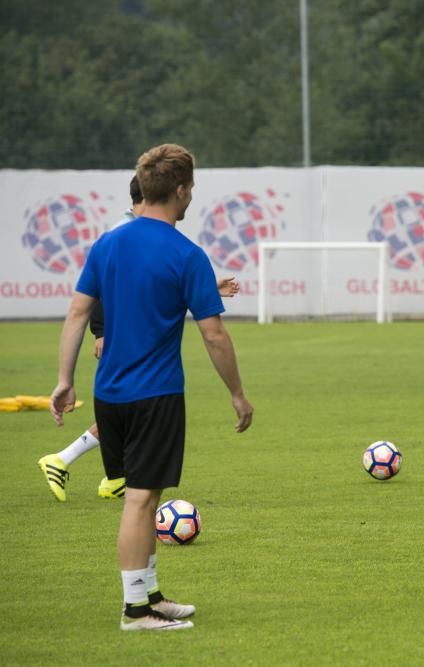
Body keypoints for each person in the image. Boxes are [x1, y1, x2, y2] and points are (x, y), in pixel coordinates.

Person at [50, 143, 254, 631]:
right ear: (180, 190)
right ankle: (135, 611)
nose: (190, 200)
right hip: (155, 393)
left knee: (143, 496)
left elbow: (78, 312)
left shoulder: (108, 243)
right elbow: (213, 333)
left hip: (111, 394)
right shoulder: (186, 253)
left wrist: (63, 380)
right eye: (191, 191)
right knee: (141, 500)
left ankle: (150, 595)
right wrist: (237, 393)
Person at [38, 176, 240, 502]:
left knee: (127, 410)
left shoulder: (125, 236)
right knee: (137, 412)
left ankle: (106, 476)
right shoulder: (123, 234)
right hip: (143, 365)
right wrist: (101, 332)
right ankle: (69, 461)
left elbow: (149, 284)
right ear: (149, 196)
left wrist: (207, 288)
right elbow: (105, 291)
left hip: (123, 370)